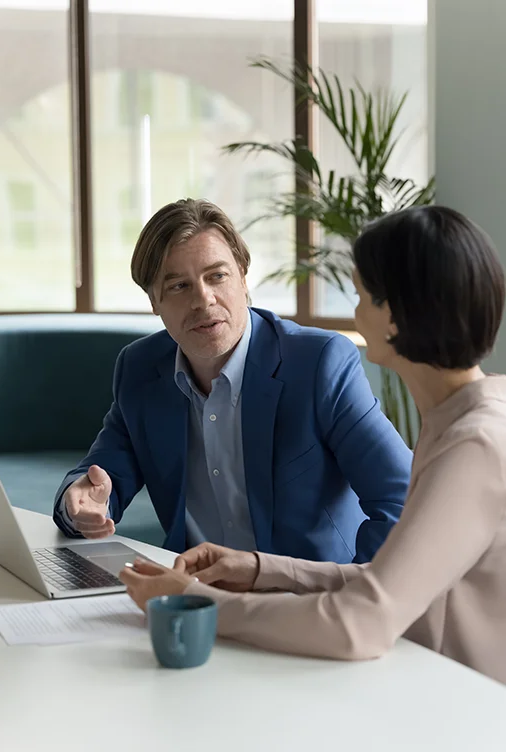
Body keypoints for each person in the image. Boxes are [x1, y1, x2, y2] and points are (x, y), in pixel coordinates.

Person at [120, 205, 506, 685]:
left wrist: (202, 603)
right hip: (430, 684)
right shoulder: (460, 420)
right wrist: (260, 570)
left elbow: (362, 621)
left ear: (396, 316)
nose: (355, 312)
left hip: (469, 712)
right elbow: (387, 580)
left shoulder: (475, 444)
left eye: (362, 295)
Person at [54, 199, 411, 563]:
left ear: (242, 276)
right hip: (196, 596)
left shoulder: (318, 363)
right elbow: (101, 475)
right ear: (154, 301)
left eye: (217, 276)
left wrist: (350, 596)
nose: (203, 300)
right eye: (179, 286)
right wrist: (80, 501)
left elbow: (404, 498)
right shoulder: (140, 368)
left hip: (303, 598)